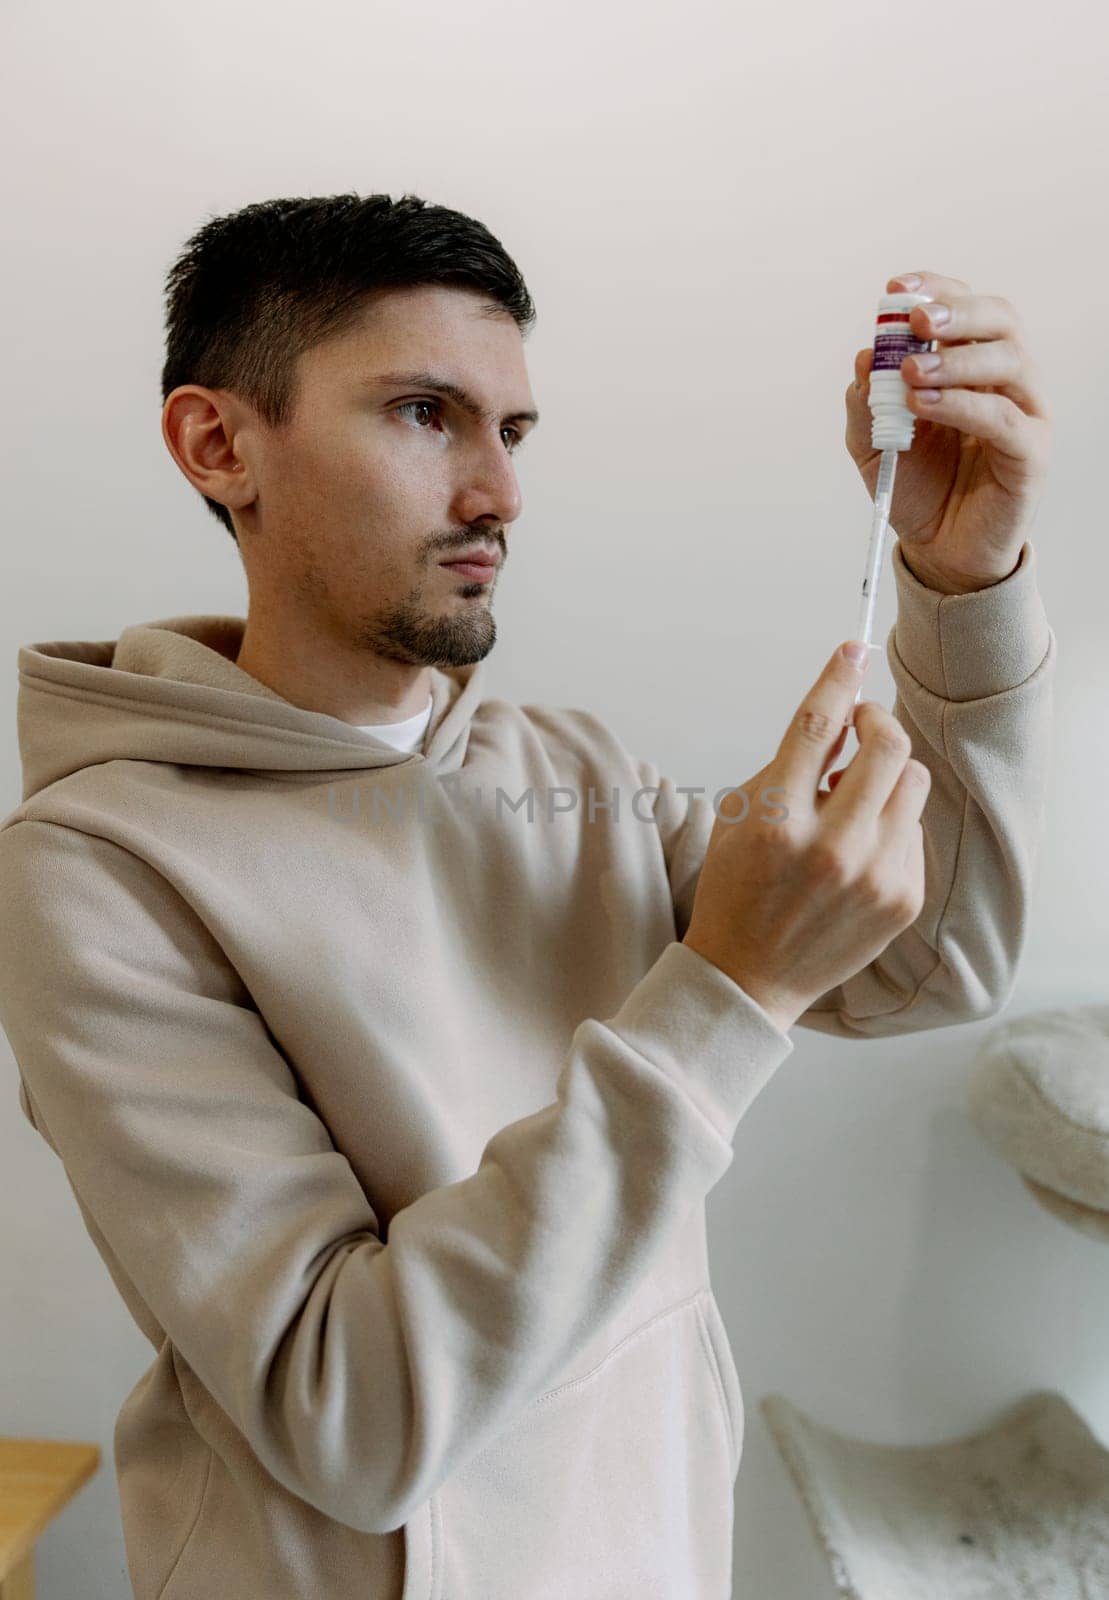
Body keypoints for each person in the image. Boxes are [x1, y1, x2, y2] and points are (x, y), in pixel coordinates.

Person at [0, 196, 1055, 1599]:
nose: (497, 492)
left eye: (513, 431)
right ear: (219, 444)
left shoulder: (568, 768)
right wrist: (727, 991)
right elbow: (348, 1413)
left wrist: (961, 577)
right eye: (424, 414)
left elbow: (933, 960)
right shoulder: (96, 865)